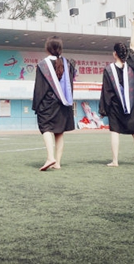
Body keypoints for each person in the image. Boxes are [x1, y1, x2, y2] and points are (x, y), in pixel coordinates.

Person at [99, 19, 134, 167]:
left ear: (115, 54)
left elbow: (106, 91)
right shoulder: (132, 65)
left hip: (116, 106)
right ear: (125, 53)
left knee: (115, 132)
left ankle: (115, 161)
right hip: (133, 105)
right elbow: (132, 46)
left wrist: (104, 109)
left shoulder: (109, 70)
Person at [32, 36, 76, 171]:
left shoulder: (43, 65)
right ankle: (57, 163)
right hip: (63, 104)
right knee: (59, 132)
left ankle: (50, 157)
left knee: (45, 128)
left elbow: (39, 87)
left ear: (47, 48)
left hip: (47, 103)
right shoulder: (68, 64)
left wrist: (36, 105)